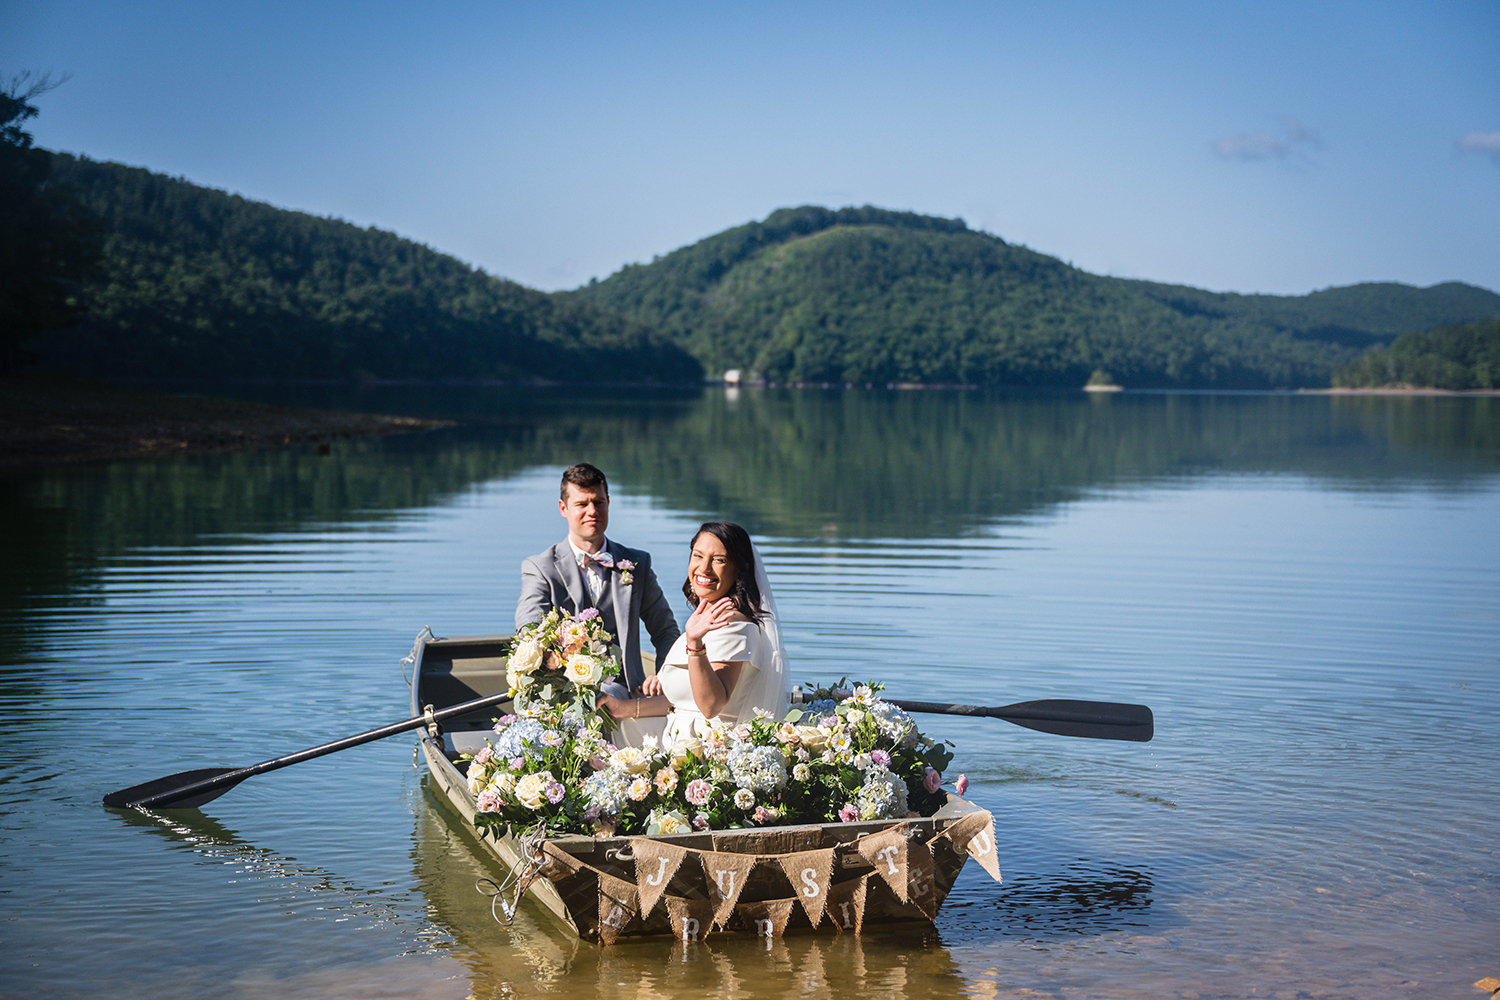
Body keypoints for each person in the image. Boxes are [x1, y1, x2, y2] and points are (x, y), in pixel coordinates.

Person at [598, 521, 787, 747]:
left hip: (702, 751)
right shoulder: (706, 619)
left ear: (739, 569)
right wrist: (624, 709)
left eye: (719, 560)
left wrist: (695, 644)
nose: (704, 568)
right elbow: (683, 701)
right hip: (678, 736)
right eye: (698, 556)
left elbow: (711, 706)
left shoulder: (736, 627)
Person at [515, 463, 680, 696]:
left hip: (626, 690)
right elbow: (529, 630)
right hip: (563, 693)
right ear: (563, 508)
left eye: (598, 503)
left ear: (608, 503)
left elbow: (666, 631)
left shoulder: (636, 565)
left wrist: (664, 678)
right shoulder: (540, 568)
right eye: (581, 504)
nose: (592, 511)